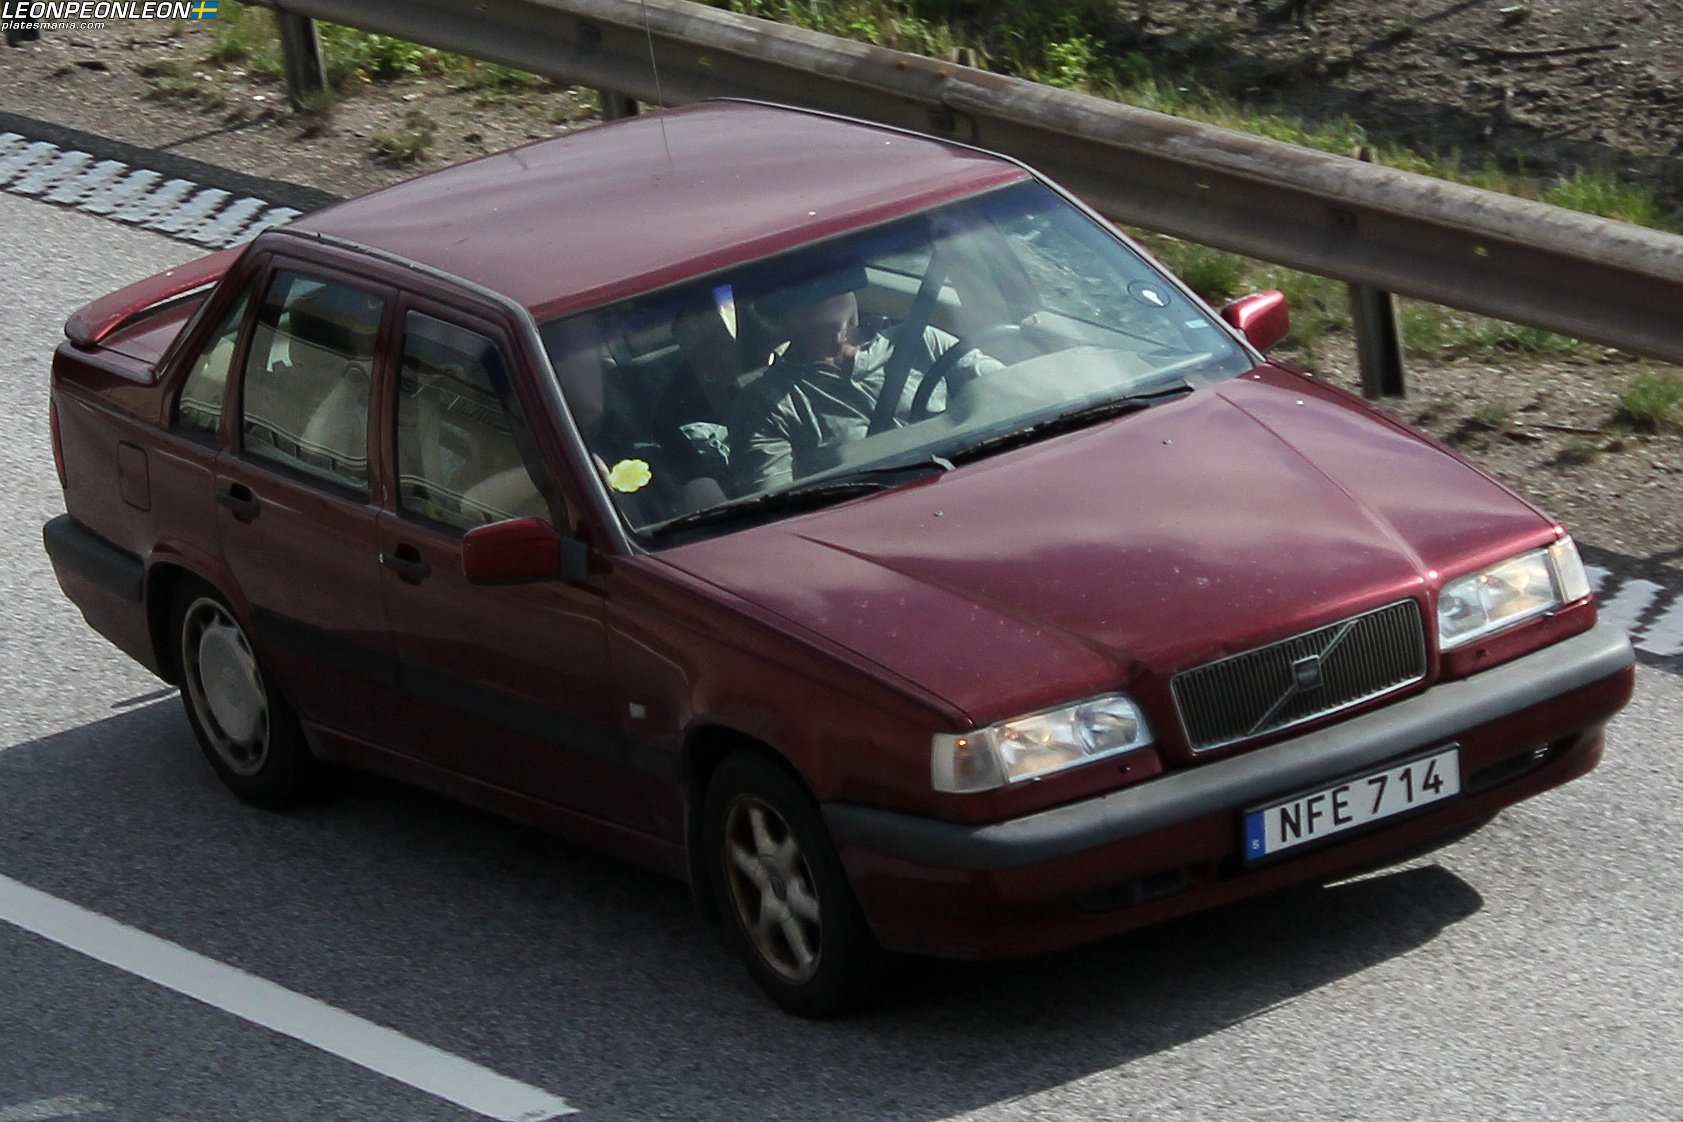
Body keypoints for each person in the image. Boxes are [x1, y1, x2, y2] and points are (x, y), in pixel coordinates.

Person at [727, 267, 1001, 492]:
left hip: (974, 482)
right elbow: (775, 504)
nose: (820, 292)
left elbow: (1007, 391)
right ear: (775, 312)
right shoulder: (763, 405)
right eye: (800, 290)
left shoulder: (920, 340)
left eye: (830, 278)